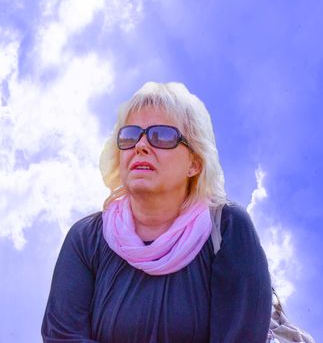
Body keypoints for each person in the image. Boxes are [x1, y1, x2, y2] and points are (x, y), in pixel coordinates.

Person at [41, 82, 272, 343]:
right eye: (129, 136)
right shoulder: (85, 239)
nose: (140, 145)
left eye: (161, 136)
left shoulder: (228, 228)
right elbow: (63, 338)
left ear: (195, 164)